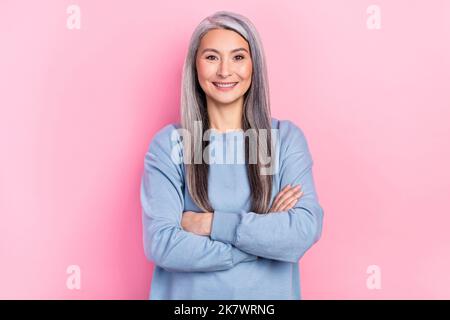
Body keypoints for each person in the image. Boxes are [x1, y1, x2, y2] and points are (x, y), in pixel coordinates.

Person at [140, 11, 324, 300]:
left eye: (238, 57)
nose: (225, 71)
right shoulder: (170, 145)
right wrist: (261, 240)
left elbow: (301, 231)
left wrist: (209, 224)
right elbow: (163, 244)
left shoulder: (284, 140)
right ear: (195, 66)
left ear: (254, 65)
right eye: (212, 57)